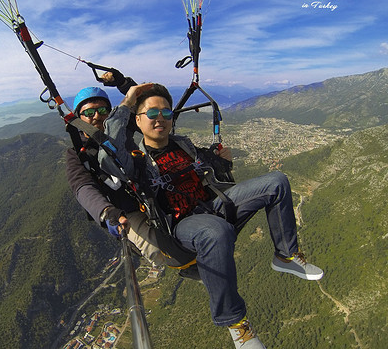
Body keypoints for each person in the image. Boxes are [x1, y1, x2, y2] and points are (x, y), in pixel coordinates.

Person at [98, 82, 324, 349]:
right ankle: (237, 325)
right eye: (151, 113)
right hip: (183, 226)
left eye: (166, 113)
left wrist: (222, 160)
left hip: (213, 207)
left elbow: (210, 167)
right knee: (217, 231)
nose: (160, 118)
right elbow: (108, 152)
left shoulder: (183, 144)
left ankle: (286, 255)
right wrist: (127, 102)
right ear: (138, 119)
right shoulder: (136, 159)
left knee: (277, 181)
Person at [65, 85, 167, 266]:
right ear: (79, 119)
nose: (96, 116)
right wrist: (106, 212)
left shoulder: (120, 133)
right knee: (159, 250)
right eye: (89, 113)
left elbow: (145, 107)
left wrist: (120, 81)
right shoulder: (77, 154)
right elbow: (82, 187)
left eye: (103, 110)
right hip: (126, 211)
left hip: (152, 190)